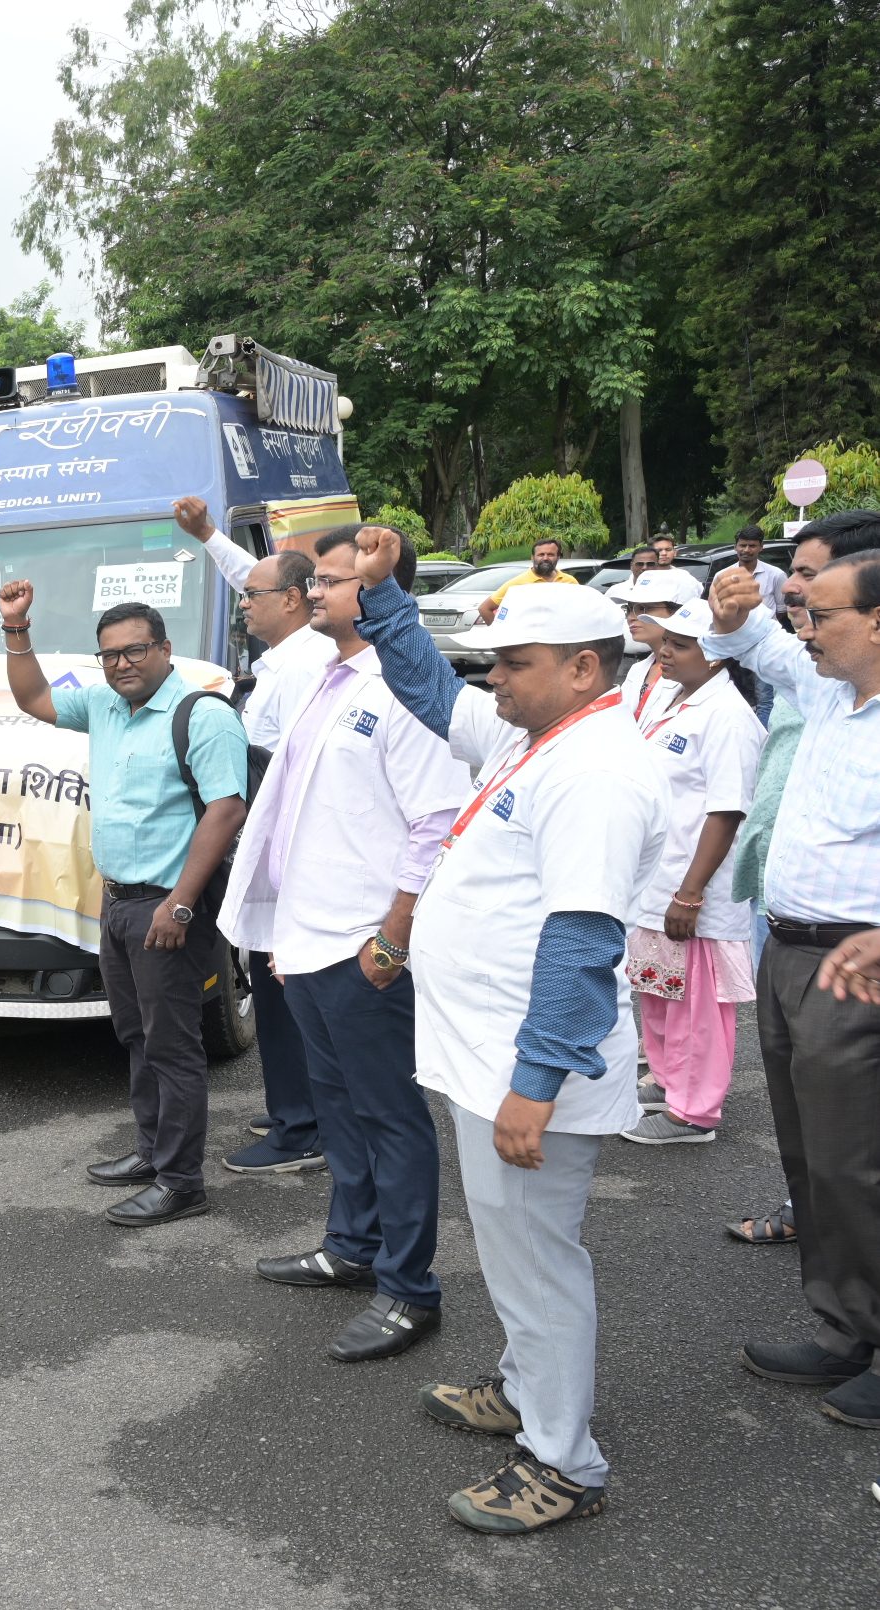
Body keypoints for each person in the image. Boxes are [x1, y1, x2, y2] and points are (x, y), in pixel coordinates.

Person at [351, 523, 665, 1534]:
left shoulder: (596, 771)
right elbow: (427, 689)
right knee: (514, 1258)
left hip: (525, 1072)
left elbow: (580, 942)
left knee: (538, 1268)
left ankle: (562, 1459)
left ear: (583, 666)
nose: (492, 682)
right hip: (489, 1058)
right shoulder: (540, 734)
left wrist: (534, 1082)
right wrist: (388, 595)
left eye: (514, 664)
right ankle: (528, 1392)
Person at [222, 529, 467, 1361]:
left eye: (328, 581)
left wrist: (392, 935)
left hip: (365, 946)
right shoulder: (325, 678)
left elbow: (436, 818)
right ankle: (350, 1246)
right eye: (316, 579)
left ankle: (408, 1288)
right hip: (309, 936)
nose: (314, 592)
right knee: (340, 1110)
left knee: (390, 1116)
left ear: (372, 589)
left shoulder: (400, 688)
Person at [0, 588, 249, 1228]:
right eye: (109, 655)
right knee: (136, 1037)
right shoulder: (106, 706)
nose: (121, 664)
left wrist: (183, 905)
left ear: (165, 650)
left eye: (135, 650)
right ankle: (152, 1151)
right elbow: (33, 698)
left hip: (170, 909)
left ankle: (182, 1182)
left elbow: (225, 810)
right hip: (119, 904)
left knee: (173, 1046)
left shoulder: (203, 715)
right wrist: (16, 627)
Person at [707, 533, 880, 1432]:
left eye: (822, 613)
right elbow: (753, 645)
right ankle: (845, 1326)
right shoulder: (827, 692)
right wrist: (732, 615)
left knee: (861, 1163)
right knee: (812, 1156)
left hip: (858, 971)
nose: (803, 626)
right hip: (789, 953)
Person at [176, 497, 335, 1173]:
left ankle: (301, 1126)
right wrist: (209, 535)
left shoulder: (302, 665)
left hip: (289, 851)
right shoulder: (292, 652)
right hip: (281, 849)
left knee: (280, 992)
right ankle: (295, 1106)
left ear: (294, 601)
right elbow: (258, 573)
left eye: (254, 598)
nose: (244, 603)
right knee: (278, 989)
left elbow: (287, 770)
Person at [618, 602, 765, 1146]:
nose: (665, 651)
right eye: (667, 642)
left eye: (680, 645)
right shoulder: (673, 699)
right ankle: (668, 1081)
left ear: (717, 653)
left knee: (697, 1005)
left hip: (691, 890)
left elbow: (727, 810)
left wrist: (691, 893)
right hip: (658, 883)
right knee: (659, 994)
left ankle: (695, 1111)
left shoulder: (727, 716)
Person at [606, 568, 701, 721]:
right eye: (629, 609)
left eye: (644, 609)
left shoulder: (694, 677)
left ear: (681, 612)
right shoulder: (637, 670)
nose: (631, 617)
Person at [475, 538, 581, 625]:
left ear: (558, 557)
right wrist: (499, 635)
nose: (545, 558)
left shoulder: (570, 582)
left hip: (561, 642)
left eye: (550, 554)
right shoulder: (517, 584)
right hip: (530, 645)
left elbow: (580, 611)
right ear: (532, 557)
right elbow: (485, 608)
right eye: (541, 554)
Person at [731, 524, 789, 618]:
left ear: (761, 547)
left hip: (768, 631)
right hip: (735, 631)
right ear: (735, 547)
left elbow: (782, 611)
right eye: (742, 545)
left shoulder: (777, 575)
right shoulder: (722, 576)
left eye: (752, 546)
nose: (746, 550)